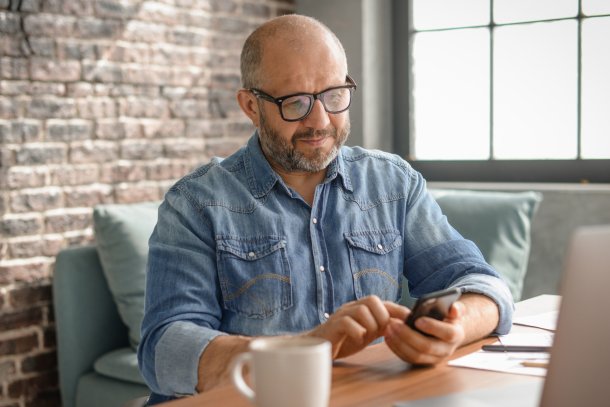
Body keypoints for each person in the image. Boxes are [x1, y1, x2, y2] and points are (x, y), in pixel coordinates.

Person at [138, 14, 513, 404]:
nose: (319, 121)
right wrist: (307, 348)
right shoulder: (196, 202)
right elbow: (163, 350)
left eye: (334, 95)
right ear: (251, 106)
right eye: (295, 102)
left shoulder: (392, 184)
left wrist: (456, 328)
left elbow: (485, 285)